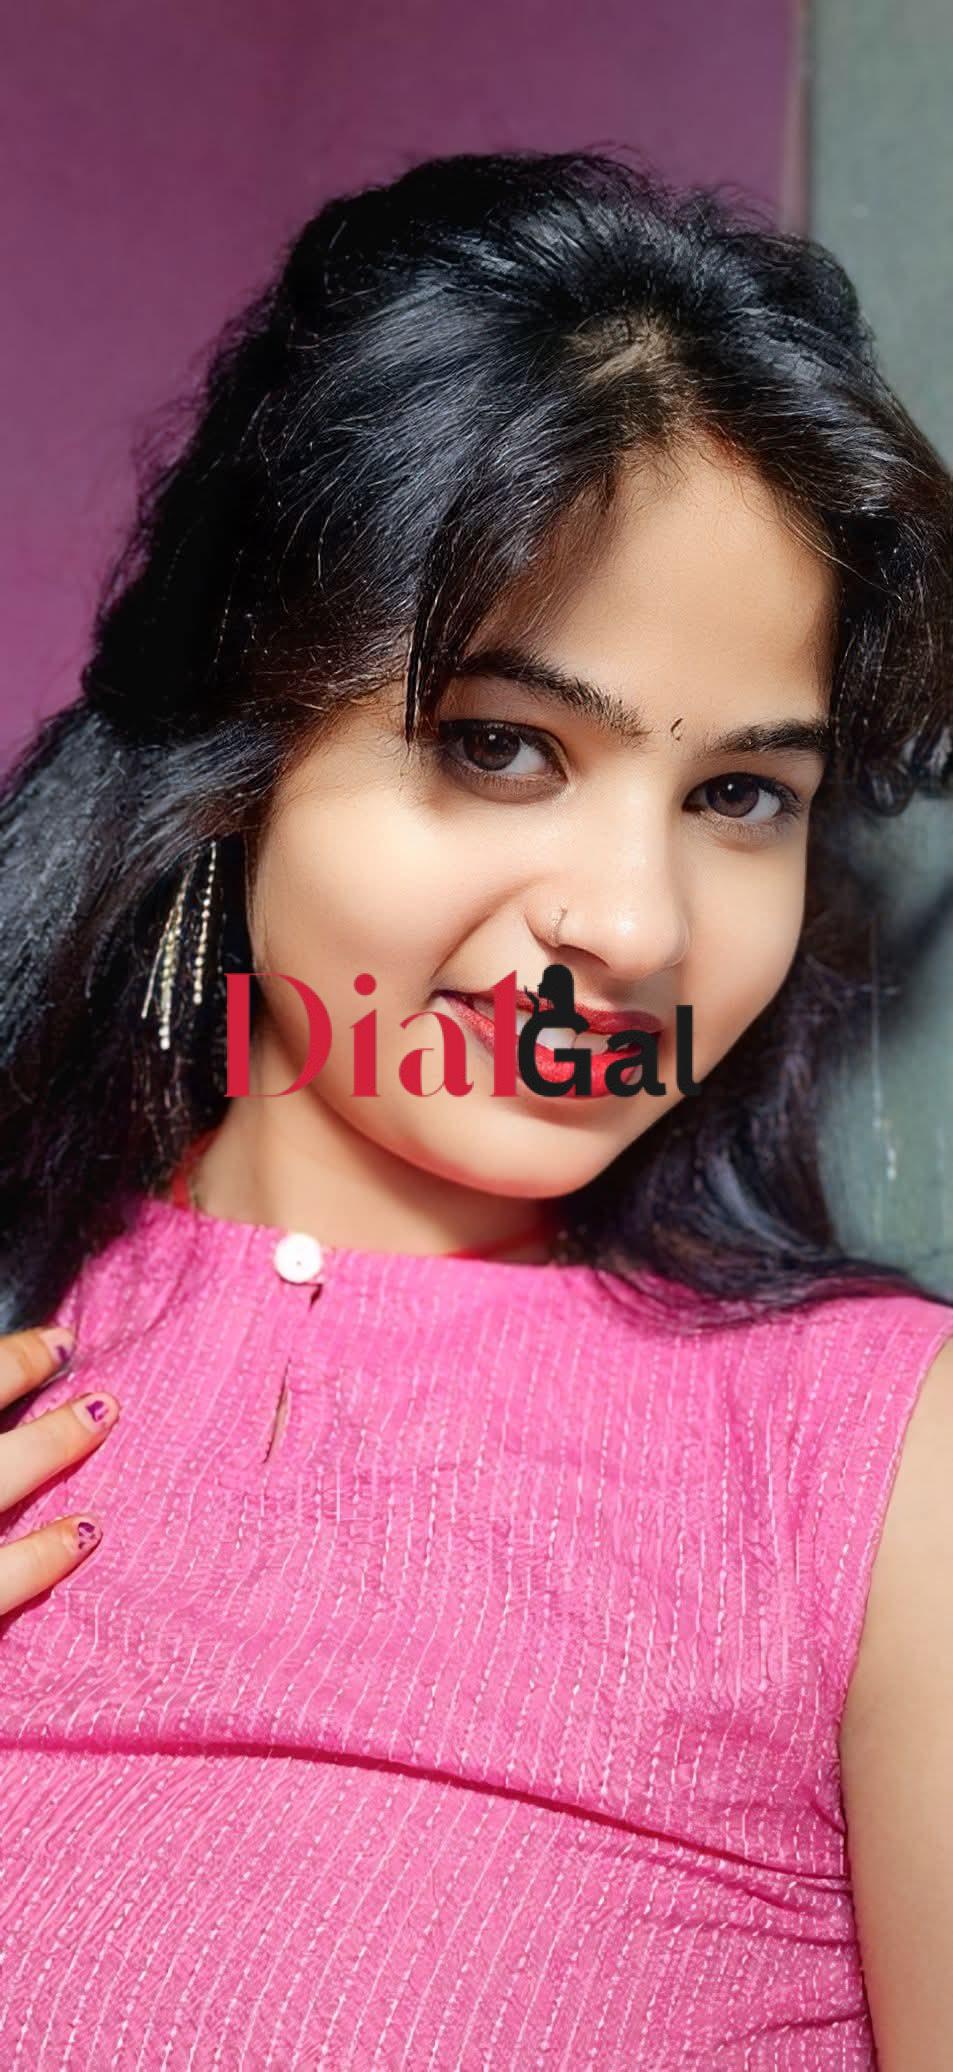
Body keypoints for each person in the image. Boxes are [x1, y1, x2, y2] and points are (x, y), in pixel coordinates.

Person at [0, 146, 951, 2069]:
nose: (634, 925)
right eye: (503, 746)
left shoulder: (883, 1478)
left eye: (739, 795)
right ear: (243, 744)